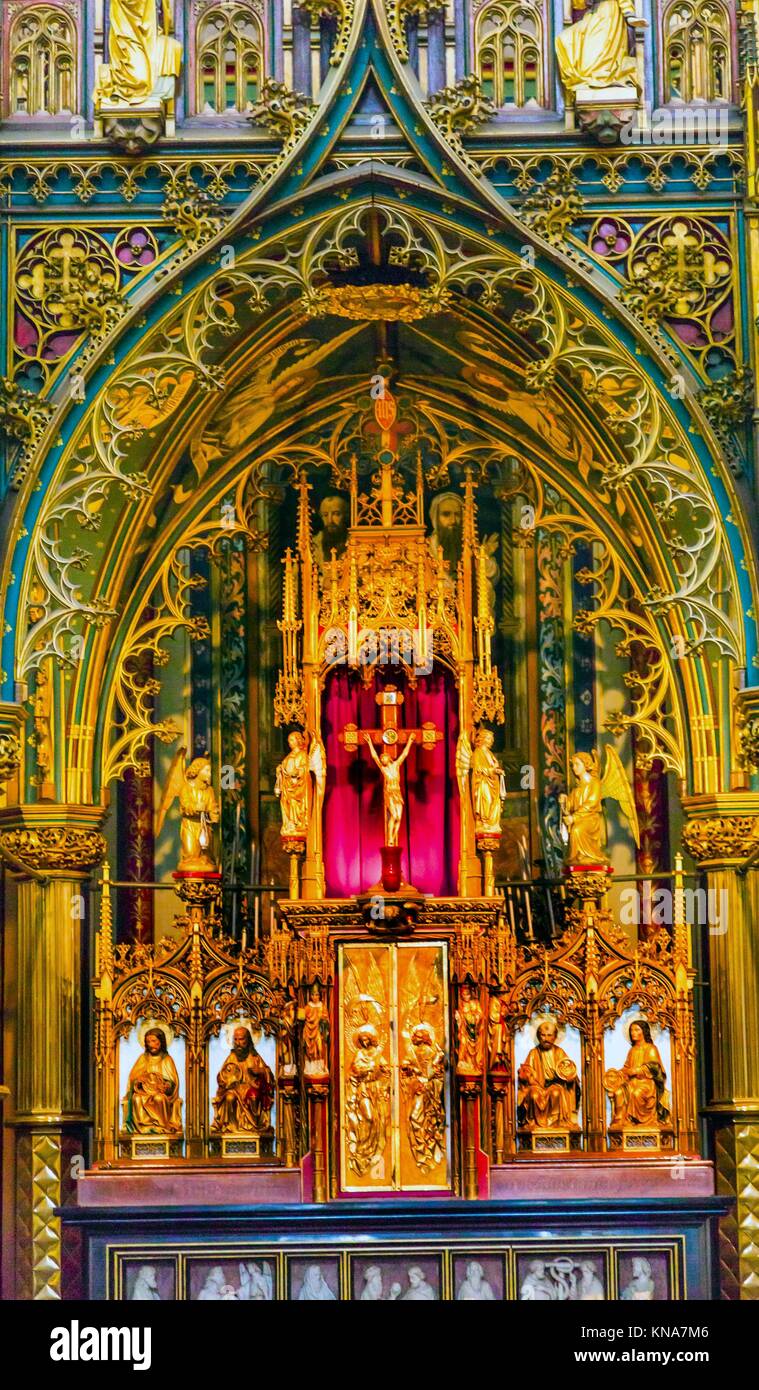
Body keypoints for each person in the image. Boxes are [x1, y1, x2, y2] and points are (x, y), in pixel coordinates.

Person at [94, 0, 182, 107]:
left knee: (172, 47)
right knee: (139, 77)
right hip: (126, 38)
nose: (157, 12)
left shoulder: (168, 46)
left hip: (144, 39)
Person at [556, 0, 639, 96]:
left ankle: (603, 77)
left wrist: (629, 14)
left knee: (591, 65)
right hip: (593, 15)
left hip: (609, 15)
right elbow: (579, 5)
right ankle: (592, 80)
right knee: (563, 39)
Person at [606, 1020, 671, 1129]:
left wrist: (638, 1071)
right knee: (618, 1092)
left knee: (636, 1094)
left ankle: (640, 1121)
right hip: (632, 1083)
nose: (633, 1033)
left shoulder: (651, 1048)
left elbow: (655, 1067)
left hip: (647, 1083)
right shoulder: (632, 1050)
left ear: (644, 1032)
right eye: (631, 1030)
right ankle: (620, 1120)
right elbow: (627, 1067)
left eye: (636, 1030)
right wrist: (618, 1074)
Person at [517, 1020, 581, 1131]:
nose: (546, 1038)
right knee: (533, 1095)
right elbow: (526, 1072)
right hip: (537, 1086)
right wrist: (524, 1074)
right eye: (543, 1035)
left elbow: (569, 1070)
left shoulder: (559, 1052)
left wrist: (569, 1077)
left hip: (555, 1085)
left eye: (549, 1035)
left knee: (556, 1093)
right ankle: (534, 1123)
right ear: (538, 1036)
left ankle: (556, 1123)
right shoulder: (534, 1053)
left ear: (555, 1037)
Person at [345, 1024, 391, 1177]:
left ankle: (372, 1152)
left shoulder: (377, 1053)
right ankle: (362, 1150)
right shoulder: (358, 1054)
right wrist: (365, 1069)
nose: (365, 1042)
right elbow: (354, 1071)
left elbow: (386, 1070)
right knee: (369, 1118)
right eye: (362, 1040)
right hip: (363, 1089)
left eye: (367, 1039)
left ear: (371, 1040)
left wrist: (383, 1080)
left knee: (377, 1121)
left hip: (376, 1090)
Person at [211, 1025, 275, 1134]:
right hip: (235, 1090)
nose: (238, 1043)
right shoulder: (232, 1057)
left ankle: (255, 1127)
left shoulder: (254, 1057)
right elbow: (221, 1076)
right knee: (229, 1098)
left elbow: (269, 1076)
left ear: (248, 1040)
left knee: (254, 1097)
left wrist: (260, 1071)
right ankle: (232, 1128)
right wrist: (226, 1079)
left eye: (241, 1039)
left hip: (250, 1089)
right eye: (235, 1039)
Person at [401, 1023, 446, 1173]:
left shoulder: (431, 1052)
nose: (418, 1039)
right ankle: (422, 1153)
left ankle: (427, 1153)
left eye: (421, 1036)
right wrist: (408, 1067)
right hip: (418, 1090)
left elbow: (431, 1072)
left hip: (429, 1091)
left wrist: (434, 1064)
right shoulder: (413, 1051)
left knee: (423, 1119)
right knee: (415, 1118)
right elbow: (407, 1065)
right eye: (416, 1037)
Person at [122, 1027, 182, 1135]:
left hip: (160, 1092)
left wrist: (166, 1086)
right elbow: (133, 1079)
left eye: (154, 1041)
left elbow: (173, 1082)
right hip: (144, 1092)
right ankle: (143, 1127)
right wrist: (140, 1082)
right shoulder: (143, 1058)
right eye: (148, 1042)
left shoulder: (167, 1059)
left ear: (161, 1041)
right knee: (136, 1099)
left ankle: (161, 1127)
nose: (151, 1044)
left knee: (159, 1098)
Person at [363, 731, 415, 847]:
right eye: (381, 760)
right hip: (389, 793)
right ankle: (390, 838)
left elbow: (404, 754)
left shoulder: (396, 765)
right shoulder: (383, 769)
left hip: (397, 793)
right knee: (394, 816)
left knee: (399, 818)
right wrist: (370, 743)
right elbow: (374, 756)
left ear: (389, 759)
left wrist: (410, 741)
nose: (382, 760)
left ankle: (393, 837)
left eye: (384, 758)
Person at [471, 729, 506, 837]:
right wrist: (493, 771)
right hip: (483, 783)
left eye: (492, 739)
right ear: (482, 739)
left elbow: (493, 766)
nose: (492, 741)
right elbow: (478, 769)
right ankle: (483, 822)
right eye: (489, 738)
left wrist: (497, 771)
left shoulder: (490, 753)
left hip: (493, 784)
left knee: (493, 803)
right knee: (485, 802)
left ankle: (490, 824)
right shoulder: (478, 752)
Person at [275, 731, 310, 838]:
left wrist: (297, 773)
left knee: (294, 802)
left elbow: (305, 769)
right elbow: (285, 769)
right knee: (288, 803)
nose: (289, 742)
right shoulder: (289, 755)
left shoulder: (302, 754)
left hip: (297, 787)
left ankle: (298, 823)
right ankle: (290, 824)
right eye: (289, 740)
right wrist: (280, 770)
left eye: (291, 739)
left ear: (297, 740)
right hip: (287, 787)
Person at [314, 494, 349, 567]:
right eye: (325, 515)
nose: (330, 520)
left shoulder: (356, 542)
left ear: (346, 515)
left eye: (336, 514)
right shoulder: (314, 544)